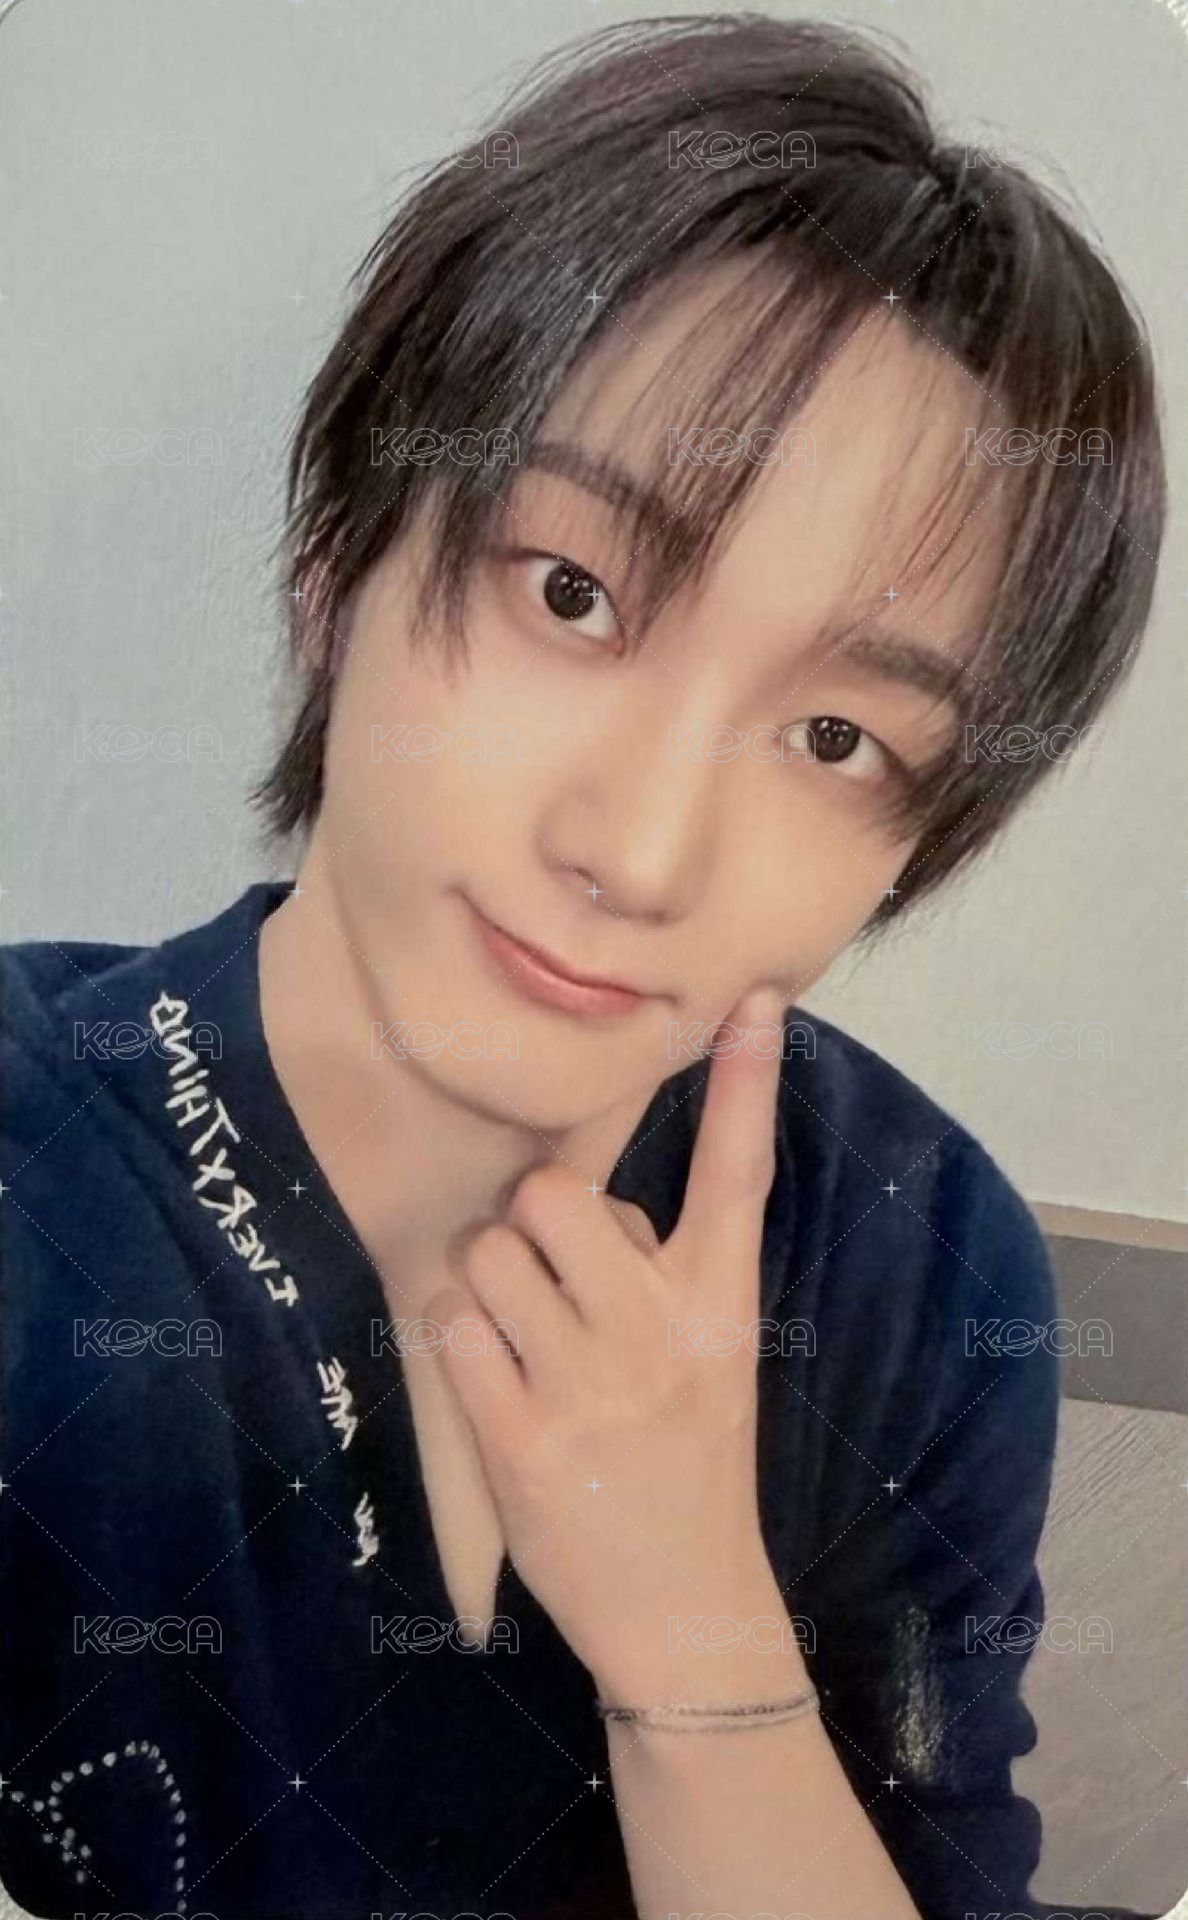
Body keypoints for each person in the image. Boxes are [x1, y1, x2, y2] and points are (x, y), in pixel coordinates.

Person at [0, 13, 1166, 1920]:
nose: (639, 851)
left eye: (836, 738)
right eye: (575, 592)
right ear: (338, 563)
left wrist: (697, 1641)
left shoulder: (920, 1271)